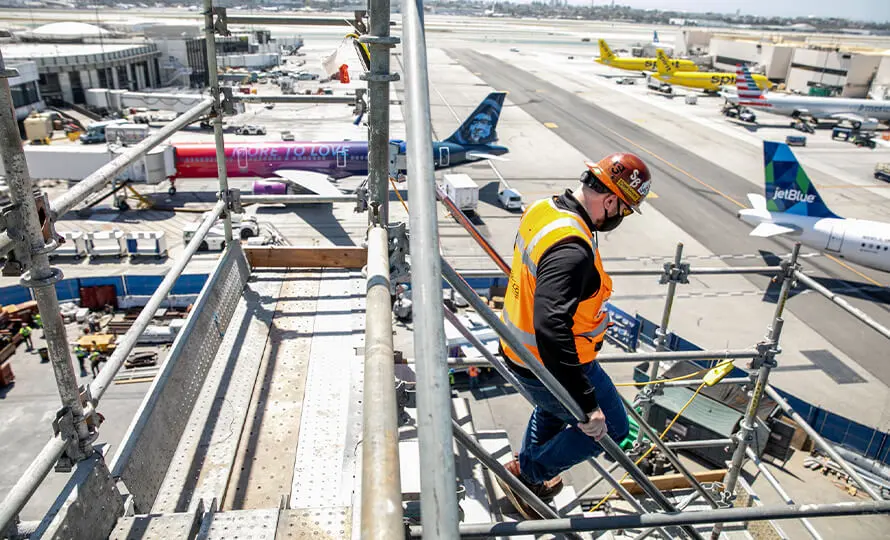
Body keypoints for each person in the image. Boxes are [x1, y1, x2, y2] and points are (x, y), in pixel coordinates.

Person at [496, 153, 651, 518]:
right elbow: (551, 329)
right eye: (624, 210)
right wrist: (586, 403)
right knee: (610, 427)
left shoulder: (545, 210)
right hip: (551, 363)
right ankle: (530, 473)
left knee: (553, 412)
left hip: (522, 353)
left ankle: (530, 470)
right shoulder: (573, 249)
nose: (620, 218)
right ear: (610, 200)